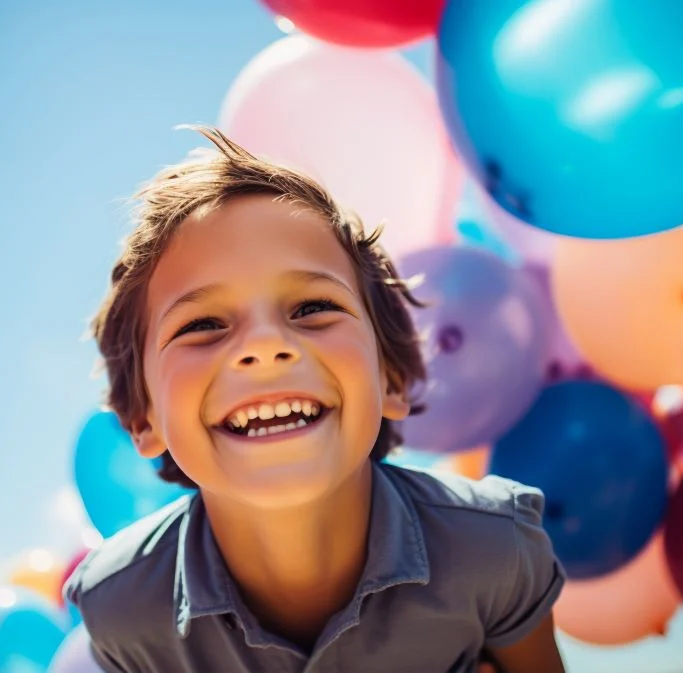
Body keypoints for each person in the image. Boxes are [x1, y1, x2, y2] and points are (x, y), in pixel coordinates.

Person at [65, 126, 567, 673]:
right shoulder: (120, 608)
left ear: (393, 378)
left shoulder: (494, 546)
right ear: (143, 420)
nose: (264, 346)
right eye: (203, 324)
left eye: (311, 308)